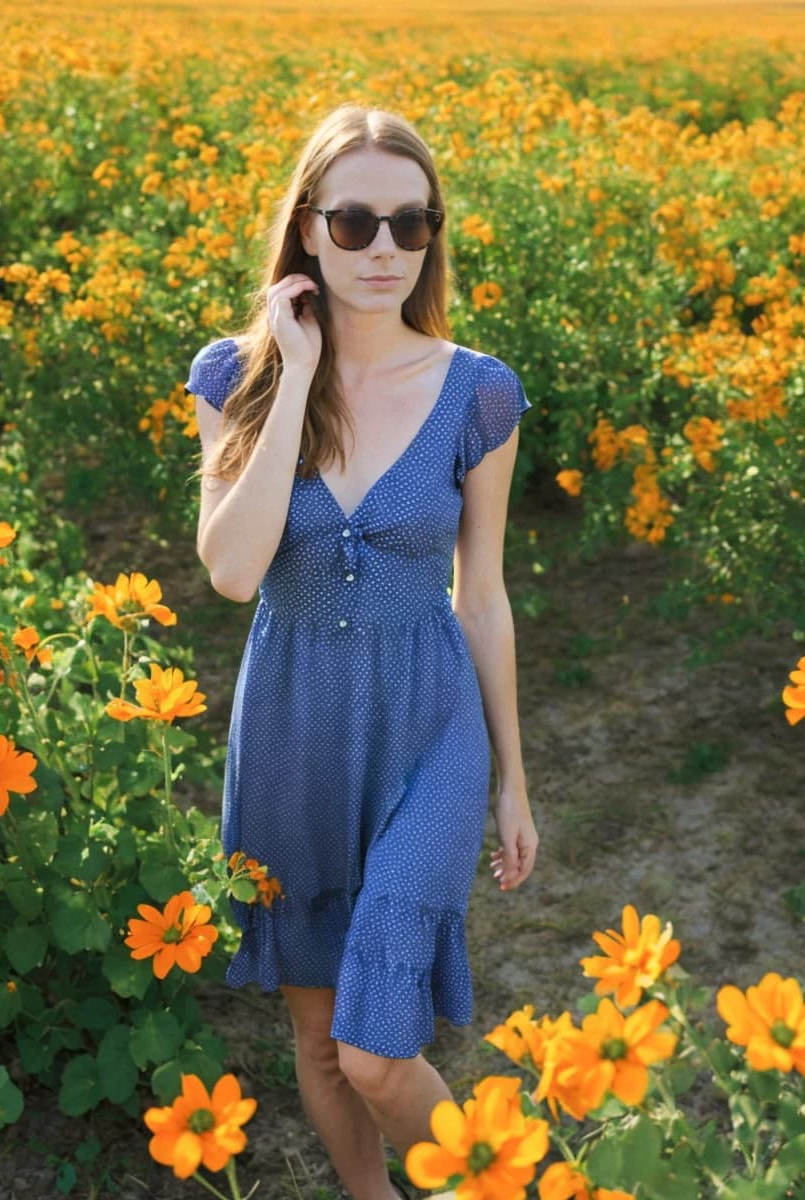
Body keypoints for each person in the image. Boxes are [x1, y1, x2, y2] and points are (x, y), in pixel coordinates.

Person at [189, 104, 538, 1200]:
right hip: (292, 731)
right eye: (353, 223)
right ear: (305, 230)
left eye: (410, 223)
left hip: (425, 727)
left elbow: (480, 597)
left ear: (432, 234)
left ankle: (510, 1186)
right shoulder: (230, 378)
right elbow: (233, 571)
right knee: (315, 1037)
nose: (384, 249)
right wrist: (290, 376)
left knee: (375, 1050)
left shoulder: (477, 390)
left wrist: (513, 781)